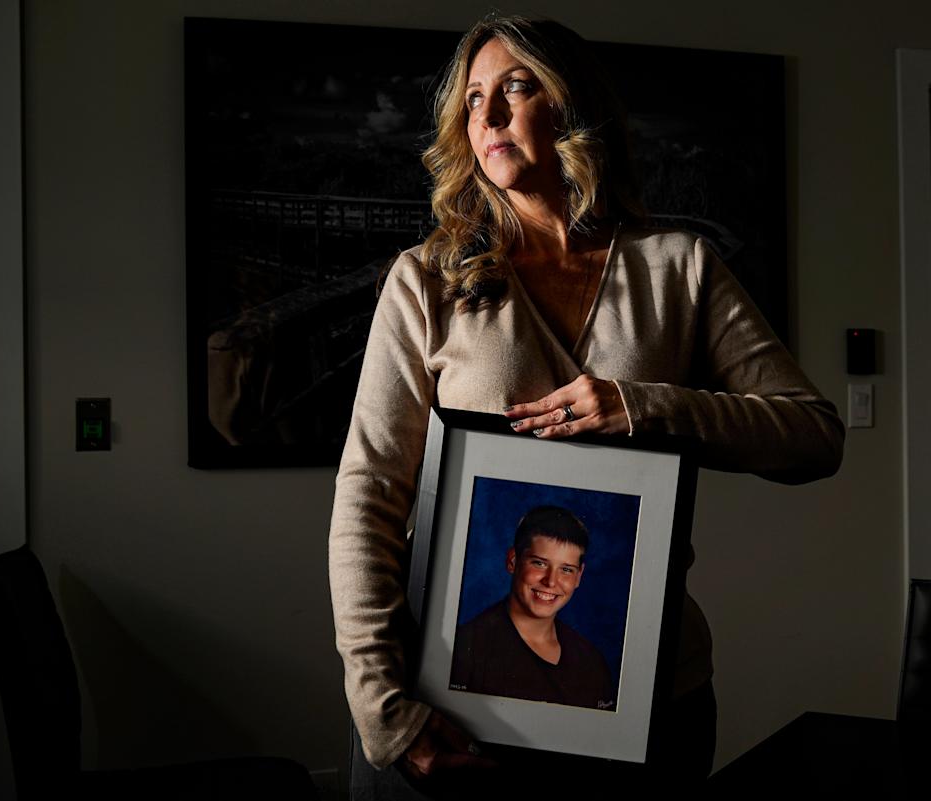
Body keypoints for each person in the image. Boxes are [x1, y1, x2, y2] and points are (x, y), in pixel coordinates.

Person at [328, 13, 844, 798]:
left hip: (646, 704)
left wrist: (647, 407)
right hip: (451, 711)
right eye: (472, 99)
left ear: (570, 106)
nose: (489, 115)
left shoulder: (681, 269)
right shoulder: (425, 279)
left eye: (515, 87)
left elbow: (814, 435)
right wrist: (381, 704)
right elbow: (367, 497)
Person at [449, 506, 617, 710]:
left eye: (566, 569)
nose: (551, 581)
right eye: (539, 563)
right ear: (513, 561)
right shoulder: (464, 652)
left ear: (579, 576)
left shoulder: (592, 664)